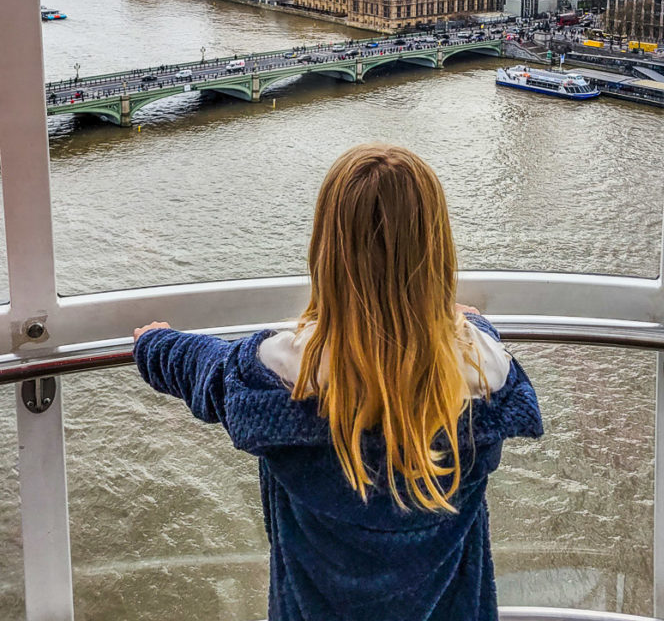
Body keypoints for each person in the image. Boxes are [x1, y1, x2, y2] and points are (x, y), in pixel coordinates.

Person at [133, 144, 543, 621]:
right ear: (436, 251)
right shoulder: (485, 370)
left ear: (326, 250)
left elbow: (208, 370)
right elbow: (479, 349)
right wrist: (469, 326)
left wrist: (153, 345)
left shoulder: (281, 370)